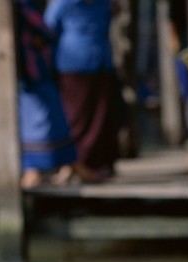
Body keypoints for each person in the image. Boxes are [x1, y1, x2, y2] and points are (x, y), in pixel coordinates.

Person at [45, 0, 122, 182]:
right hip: (74, 64)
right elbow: (48, 30)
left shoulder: (103, 3)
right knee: (76, 116)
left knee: (101, 116)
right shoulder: (63, 3)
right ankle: (71, 163)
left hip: (102, 62)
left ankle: (96, 164)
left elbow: (116, 11)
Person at [15, 0, 80, 187]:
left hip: (29, 71)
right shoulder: (23, 5)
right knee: (44, 118)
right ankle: (36, 171)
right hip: (32, 70)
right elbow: (43, 30)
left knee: (38, 119)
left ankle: (62, 167)